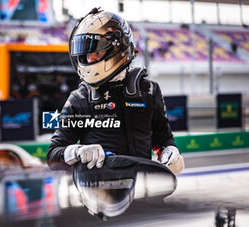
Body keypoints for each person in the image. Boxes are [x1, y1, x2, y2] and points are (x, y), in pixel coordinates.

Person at [46, 8, 184, 175]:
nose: (90, 59)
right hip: (99, 194)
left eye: (96, 51)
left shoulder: (149, 90)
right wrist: (77, 152)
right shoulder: (80, 98)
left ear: (118, 48)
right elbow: (53, 155)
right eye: (85, 53)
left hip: (145, 188)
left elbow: (161, 137)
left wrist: (170, 152)